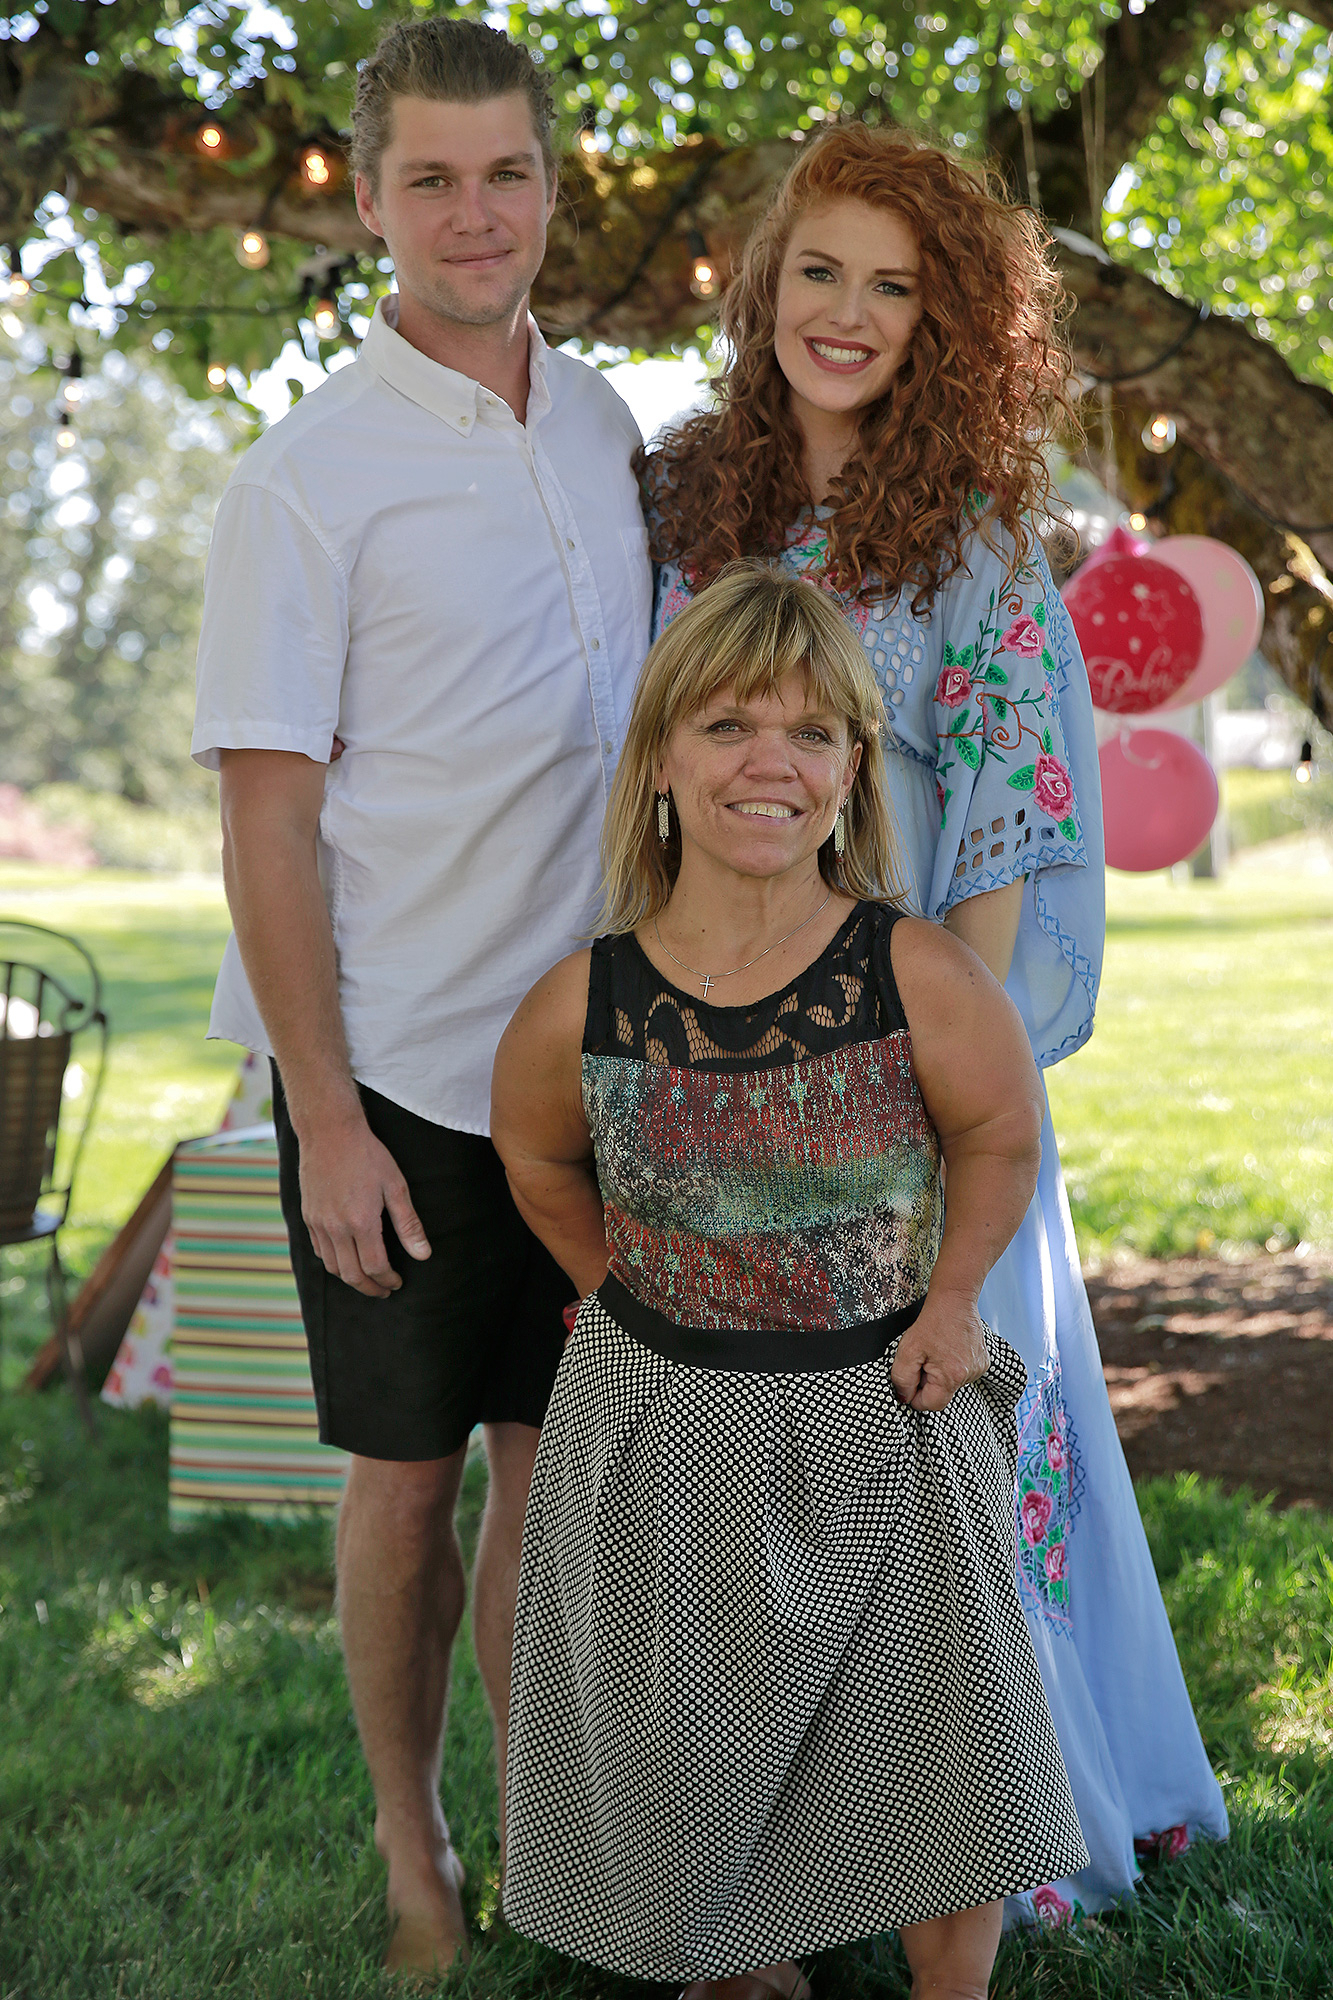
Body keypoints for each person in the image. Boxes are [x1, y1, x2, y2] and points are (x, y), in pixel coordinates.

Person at [640, 121, 1228, 1920]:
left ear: (943, 320)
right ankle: (776, 1839)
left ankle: (996, 1825)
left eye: (895, 287)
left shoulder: (971, 538)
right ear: (762, 284)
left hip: (902, 1051)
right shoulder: (682, 503)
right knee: (752, 1454)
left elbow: (1012, 816)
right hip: (717, 1037)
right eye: (819, 269)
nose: (849, 312)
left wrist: (924, 1062)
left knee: (937, 1433)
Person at [191, 16, 650, 1974]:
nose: (478, 214)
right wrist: (328, 1116)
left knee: (564, 1485)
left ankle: (562, 1841)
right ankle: (415, 1848)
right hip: (395, 1072)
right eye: (435, 179)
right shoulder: (302, 481)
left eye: (510, 172)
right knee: (405, 1492)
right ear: (368, 201)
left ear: (555, 187)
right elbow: (268, 822)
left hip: (602, 1068)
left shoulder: (614, 425)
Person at [492, 562, 1089, 1999]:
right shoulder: (587, 999)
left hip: (885, 1413)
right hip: (676, 1441)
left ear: (851, 774)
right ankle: (739, 1968)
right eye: (729, 726)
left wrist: (952, 1302)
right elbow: (537, 1158)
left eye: (814, 733)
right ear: (660, 765)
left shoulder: (920, 975)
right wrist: (626, 1295)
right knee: (698, 1756)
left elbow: (999, 1132)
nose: (772, 762)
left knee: (949, 1758)